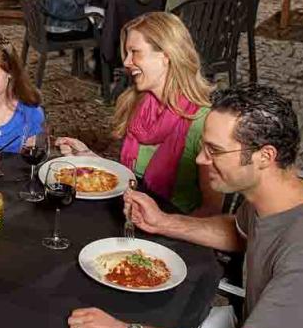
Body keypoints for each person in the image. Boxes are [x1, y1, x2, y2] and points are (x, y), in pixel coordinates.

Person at [67, 85, 303, 328]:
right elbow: (239, 231)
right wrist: (163, 222)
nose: (200, 160)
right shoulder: (283, 191)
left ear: (264, 156)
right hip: (252, 325)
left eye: (215, 151)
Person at [56, 13, 221, 215]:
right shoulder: (139, 104)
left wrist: (165, 226)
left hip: (172, 229)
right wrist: (90, 159)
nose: (126, 62)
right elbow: (131, 179)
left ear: (167, 55)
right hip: (130, 212)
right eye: (126, 53)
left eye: (135, 52)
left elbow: (212, 210)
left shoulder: (205, 123)